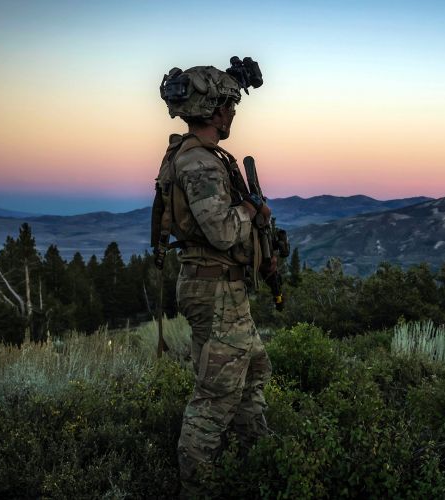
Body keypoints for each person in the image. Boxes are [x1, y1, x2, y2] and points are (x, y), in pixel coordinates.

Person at [154, 63, 274, 496]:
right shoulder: (200, 163)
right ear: (217, 110)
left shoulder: (194, 155)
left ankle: (254, 459)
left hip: (221, 288)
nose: (234, 114)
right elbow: (222, 231)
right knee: (216, 395)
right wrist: (251, 211)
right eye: (230, 105)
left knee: (254, 368)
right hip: (215, 288)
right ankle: (197, 486)